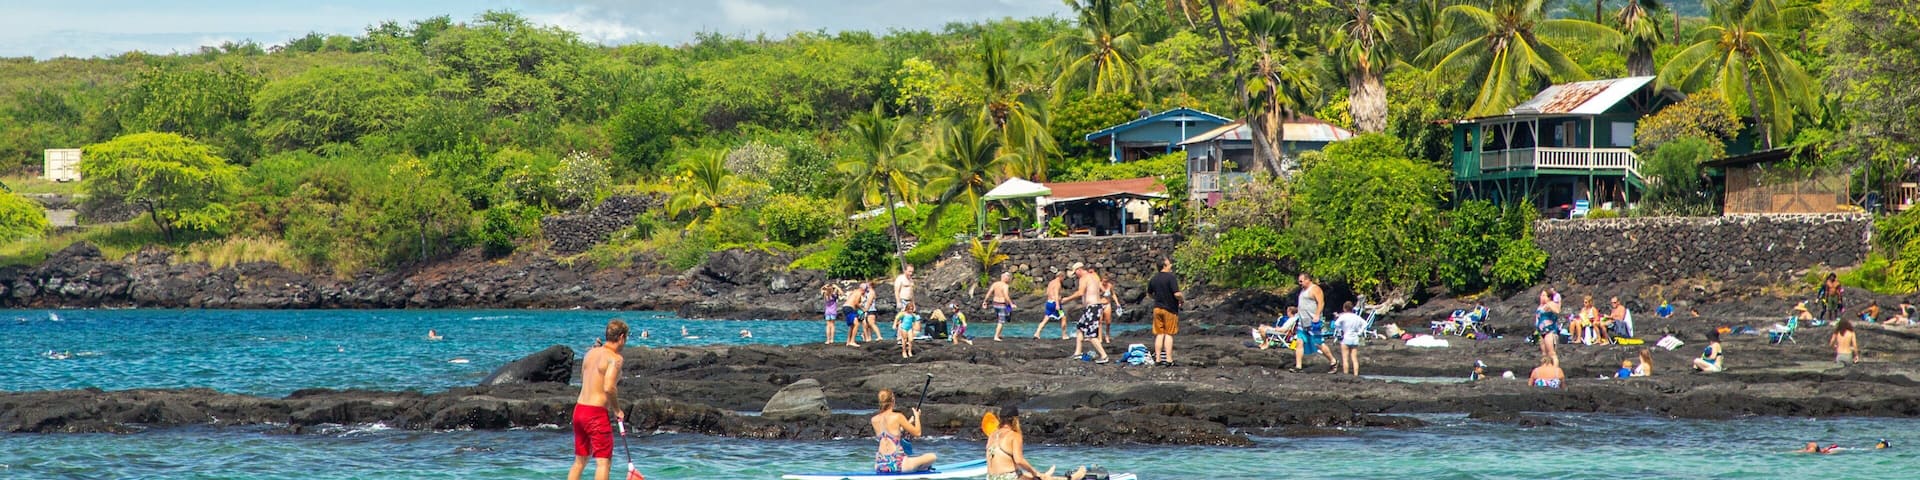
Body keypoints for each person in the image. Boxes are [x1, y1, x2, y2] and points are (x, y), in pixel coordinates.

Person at [567, 319, 629, 480]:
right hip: (595, 414)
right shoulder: (615, 359)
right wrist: (617, 410)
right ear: (621, 337)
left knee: (580, 461)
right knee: (604, 462)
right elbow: (608, 387)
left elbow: (583, 377)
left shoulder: (590, 353)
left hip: (579, 410)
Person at [984, 404, 1088, 480]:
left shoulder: (992, 435)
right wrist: (1035, 472)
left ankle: (1046, 476)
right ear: (1015, 420)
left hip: (991, 477)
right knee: (1039, 477)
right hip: (1008, 477)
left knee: (1032, 477)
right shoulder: (1014, 435)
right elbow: (1019, 460)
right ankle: (1071, 478)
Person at [870, 389, 935, 474]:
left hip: (880, 465)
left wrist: (909, 423)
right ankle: (920, 469)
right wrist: (917, 416)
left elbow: (892, 433)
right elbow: (918, 433)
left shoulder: (874, 420)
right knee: (932, 456)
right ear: (893, 400)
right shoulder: (898, 416)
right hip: (898, 464)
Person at [1069, 263, 1110, 363]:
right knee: (1080, 327)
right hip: (1092, 307)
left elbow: (1080, 293)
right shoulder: (1094, 276)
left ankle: (1104, 356)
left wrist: (1066, 299)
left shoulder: (1084, 278)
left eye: (1075, 273)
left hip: (1092, 308)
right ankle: (1077, 353)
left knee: (1091, 335)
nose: (1076, 276)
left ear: (1079, 270)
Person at [1148, 257, 1183, 365]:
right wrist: (1181, 299)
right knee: (1168, 334)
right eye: (1169, 264)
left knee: (1159, 334)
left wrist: (1158, 299)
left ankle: (1158, 359)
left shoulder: (1154, 279)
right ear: (1164, 266)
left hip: (1157, 308)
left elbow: (1149, 293)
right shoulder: (1170, 278)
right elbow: (1176, 293)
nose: (1171, 265)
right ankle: (1168, 359)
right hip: (1170, 309)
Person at [1334, 301, 1366, 376]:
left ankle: (1346, 374)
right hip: (1355, 338)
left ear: (1344, 308)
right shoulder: (1356, 317)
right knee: (1354, 358)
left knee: (1345, 359)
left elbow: (1336, 324)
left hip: (1346, 338)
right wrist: (1360, 332)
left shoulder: (1343, 316)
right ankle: (1356, 374)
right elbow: (1365, 323)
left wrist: (1340, 331)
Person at [984, 272, 1016, 342]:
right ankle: (996, 336)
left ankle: (999, 334)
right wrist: (1011, 304)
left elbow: (989, 292)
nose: (1009, 279)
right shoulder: (1005, 286)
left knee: (1000, 318)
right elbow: (1006, 295)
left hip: (995, 303)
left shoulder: (995, 284)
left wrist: (985, 301)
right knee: (1001, 321)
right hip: (1001, 304)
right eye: (1008, 277)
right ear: (1005, 278)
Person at [1036, 270, 1068, 340]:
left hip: (1049, 303)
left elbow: (1047, 293)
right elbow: (1056, 294)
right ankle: (1064, 335)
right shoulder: (1057, 284)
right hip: (1054, 303)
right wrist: (1057, 304)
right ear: (1061, 276)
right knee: (1063, 317)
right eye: (1063, 278)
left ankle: (1037, 333)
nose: (1063, 280)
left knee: (1046, 318)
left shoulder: (1051, 283)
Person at [841, 283, 866, 347]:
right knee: (856, 324)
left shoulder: (854, 291)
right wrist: (862, 309)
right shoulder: (859, 293)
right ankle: (852, 341)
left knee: (852, 325)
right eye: (865, 290)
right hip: (849, 308)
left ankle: (848, 341)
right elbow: (856, 303)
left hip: (845, 307)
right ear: (862, 289)